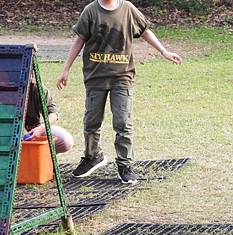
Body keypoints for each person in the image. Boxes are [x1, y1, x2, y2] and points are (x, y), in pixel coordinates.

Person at [56, 0, 182, 184]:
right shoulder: (91, 11)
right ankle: (92, 157)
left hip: (122, 77)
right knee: (91, 121)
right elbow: (79, 39)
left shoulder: (128, 9)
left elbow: (145, 31)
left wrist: (164, 52)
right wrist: (65, 69)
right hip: (95, 76)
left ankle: (125, 165)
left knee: (123, 122)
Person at [25, 75, 74, 154]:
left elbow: (53, 113)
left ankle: (40, 158)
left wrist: (42, 128)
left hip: (31, 129)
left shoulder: (36, 88)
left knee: (65, 141)